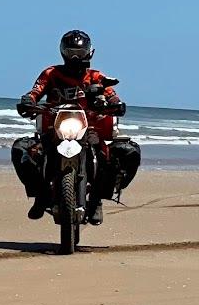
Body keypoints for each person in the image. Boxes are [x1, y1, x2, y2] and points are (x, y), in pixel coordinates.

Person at [10, 29, 142, 225]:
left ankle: (97, 200)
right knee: (22, 150)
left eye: (79, 53)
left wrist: (115, 103)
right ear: (63, 52)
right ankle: (41, 195)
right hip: (55, 128)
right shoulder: (51, 74)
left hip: (89, 129)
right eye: (71, 52)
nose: (75, 57)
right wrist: (28, 100)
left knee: (112, 155)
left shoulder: (96, 77)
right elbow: (35, 91)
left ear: (89, 52)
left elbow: (111, 94)